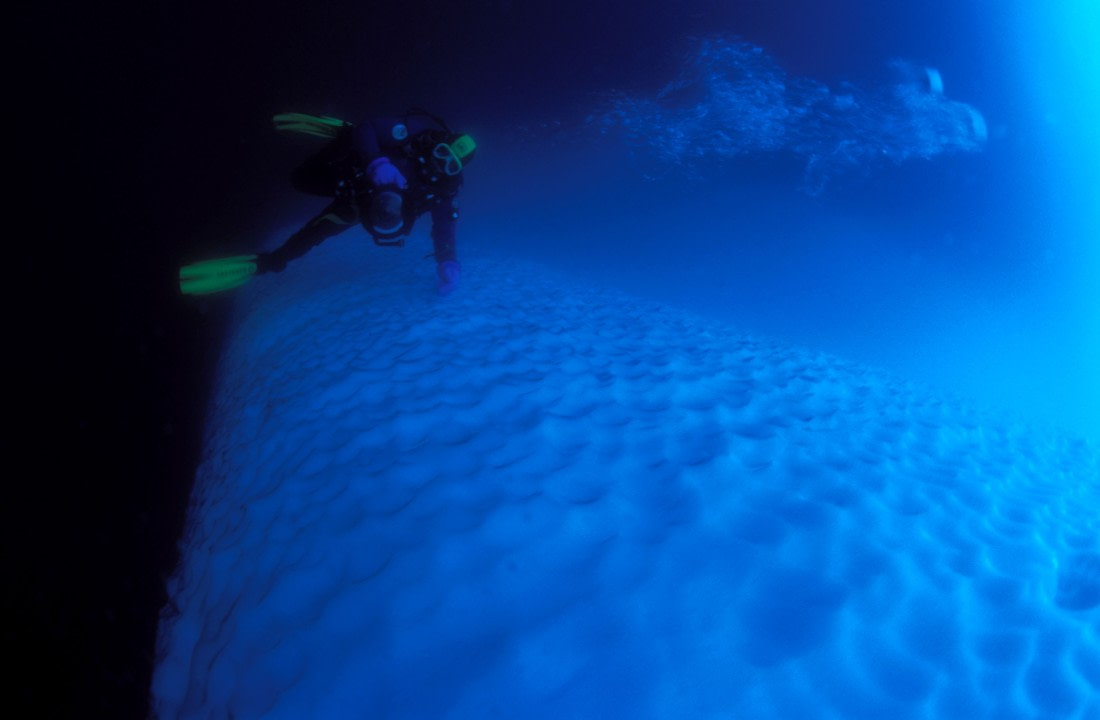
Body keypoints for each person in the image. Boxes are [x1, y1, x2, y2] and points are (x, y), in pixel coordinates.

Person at [257, 109, 476, 295]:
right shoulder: (415, 136)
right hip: (357, 172)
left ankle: (276, 259)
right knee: (301, 180)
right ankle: (347, 138)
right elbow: (368, 126)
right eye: (442, 153)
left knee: (318, 231)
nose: (440, 164)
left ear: (456, 172)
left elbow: (445, 227)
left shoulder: (445, 191)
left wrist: (448, 262)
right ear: (439, 143)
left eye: (451, 165)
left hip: (360, 206)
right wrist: (376, 161)